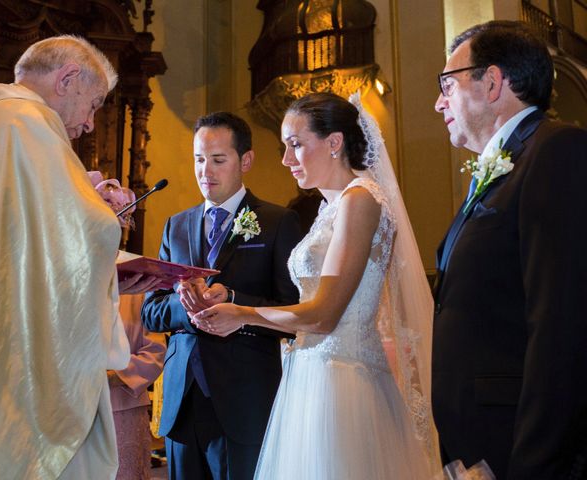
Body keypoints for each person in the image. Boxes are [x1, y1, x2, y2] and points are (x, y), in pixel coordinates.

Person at [192, 92, 441, 479]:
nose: (286, 160)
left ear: (334, 142)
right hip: (309, 376)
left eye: (295, 145)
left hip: (343, 382)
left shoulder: (361, 200)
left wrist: (242, 314)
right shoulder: (331, 207)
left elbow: (324, 315)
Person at [0, 35, 135, 480]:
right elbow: (75, 242)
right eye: (92, 104)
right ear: (67, 79)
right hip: (7, 351)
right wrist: (103, 217)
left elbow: (6, 240)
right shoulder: (27, 124)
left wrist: (78, 196)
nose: (90, 124)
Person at [432, 20, 587, 479]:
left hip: (522, 448)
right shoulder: (504, 167)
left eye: (447, 84)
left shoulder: (557, 151)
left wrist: (534, 463)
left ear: (493, 81)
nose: (438, 102)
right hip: (480, 443)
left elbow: (563, 325)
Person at [140, 112, 302, 479]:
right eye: (198, 159)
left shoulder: (278, 222)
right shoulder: (176, 225)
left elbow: (294, 312)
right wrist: (188, 306)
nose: (205, 171)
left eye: (217, 160)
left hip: (243, 398)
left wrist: (233, 299)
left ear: (245, 161)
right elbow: (151, 312)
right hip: (183, 402)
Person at [109, 294, 166, 480]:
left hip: (123, 410)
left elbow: (155, 352)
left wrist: (117, 376)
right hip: (71, 412)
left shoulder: (137, 290)